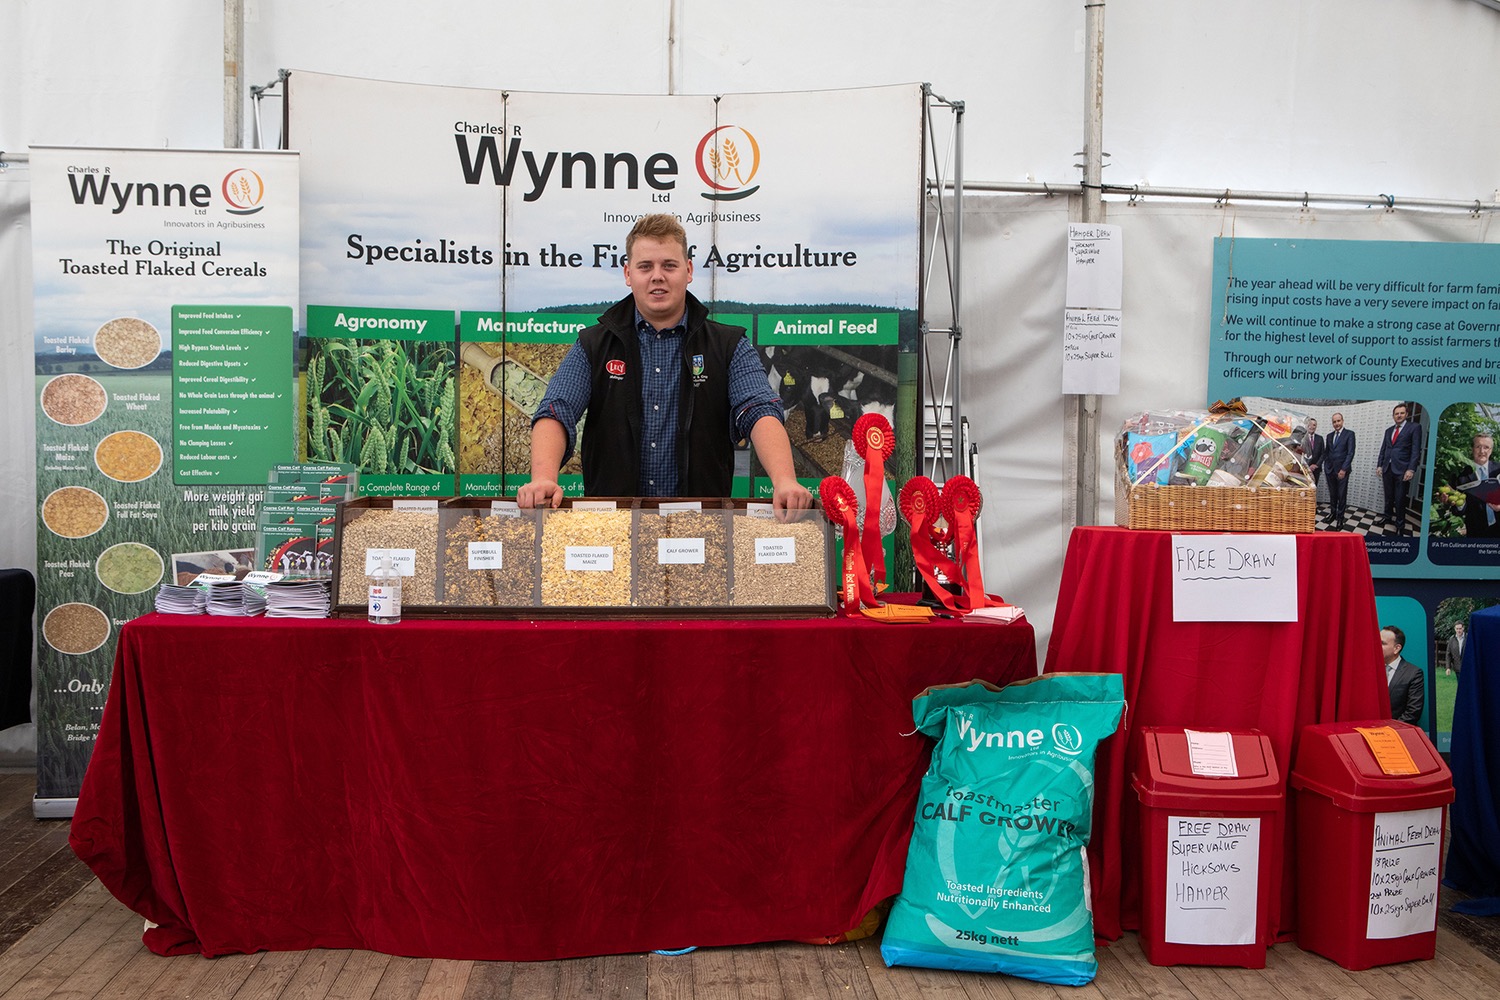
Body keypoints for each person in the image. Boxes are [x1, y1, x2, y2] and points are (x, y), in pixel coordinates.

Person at [517, 214, 814, 517]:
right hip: (614, 528)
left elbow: (759, 409)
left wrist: (784, 480)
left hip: (701, 529)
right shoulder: (593, 345)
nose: (657, 276)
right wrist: (543, 478)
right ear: (628, 273)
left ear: (688, 271)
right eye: (645, 266)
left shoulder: (729, 345)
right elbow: (556, 409)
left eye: (669, 265)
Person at [1375, 403, 1423, 536]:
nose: (1399, 415)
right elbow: (1384, 449)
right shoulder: (1388, 430)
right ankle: (1387, 517)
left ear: (1406, 414)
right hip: (1387, 468)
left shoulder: (1414, 427)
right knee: (1388, 497)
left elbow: (1415, 450)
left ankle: (1400, 525)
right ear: (1393, 416)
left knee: (1400, 499)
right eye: (1396, 414)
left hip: (1402, 470)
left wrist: (1411, 469)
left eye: (1402, 413)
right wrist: (1379, 465)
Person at [1453, 432, 1500, 539]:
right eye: (1478, 447)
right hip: (1476, 532)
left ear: (1491, 450)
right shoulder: (1462, 476)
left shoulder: (1499, 470)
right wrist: (1459, 504)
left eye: (1486, 447)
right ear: (1472, 449)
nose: (1482, 451)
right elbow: (1458, 511)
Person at [1380, 624, 1424, 725]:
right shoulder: (1369, 670)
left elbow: (1413, 712)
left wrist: (1389, 730)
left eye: (1382, 643)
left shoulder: (1413, 674)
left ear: (1397, 648)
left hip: (1397, 732)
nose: (1376, 646)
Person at [1324, 412, 1356, 530]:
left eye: (1338, 421)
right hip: (1330, 471)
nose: (1336, 423)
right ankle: (1333, 513)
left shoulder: (1350, 434)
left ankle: (1340, 518)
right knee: (1333, 494)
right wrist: (1326, 467)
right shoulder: (1329, 436)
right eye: (1334, 422)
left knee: (1341, 495)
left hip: (1342, 471)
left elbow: (1350, 453)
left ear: (1342, 421)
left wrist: (1343, 469)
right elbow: (1327, 452)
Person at [1300, 417, 1324, 485]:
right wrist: (1307, 466)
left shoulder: (1320, 438)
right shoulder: (1302, 438)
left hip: (1316, 469)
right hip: (1304, 469)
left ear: (1316, 427)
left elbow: (1323, 454)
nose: (1312, 427)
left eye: (1314, 425)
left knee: (1314, 488)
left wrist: (1316, 465)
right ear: (1307, 425)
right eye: (1310, 424)